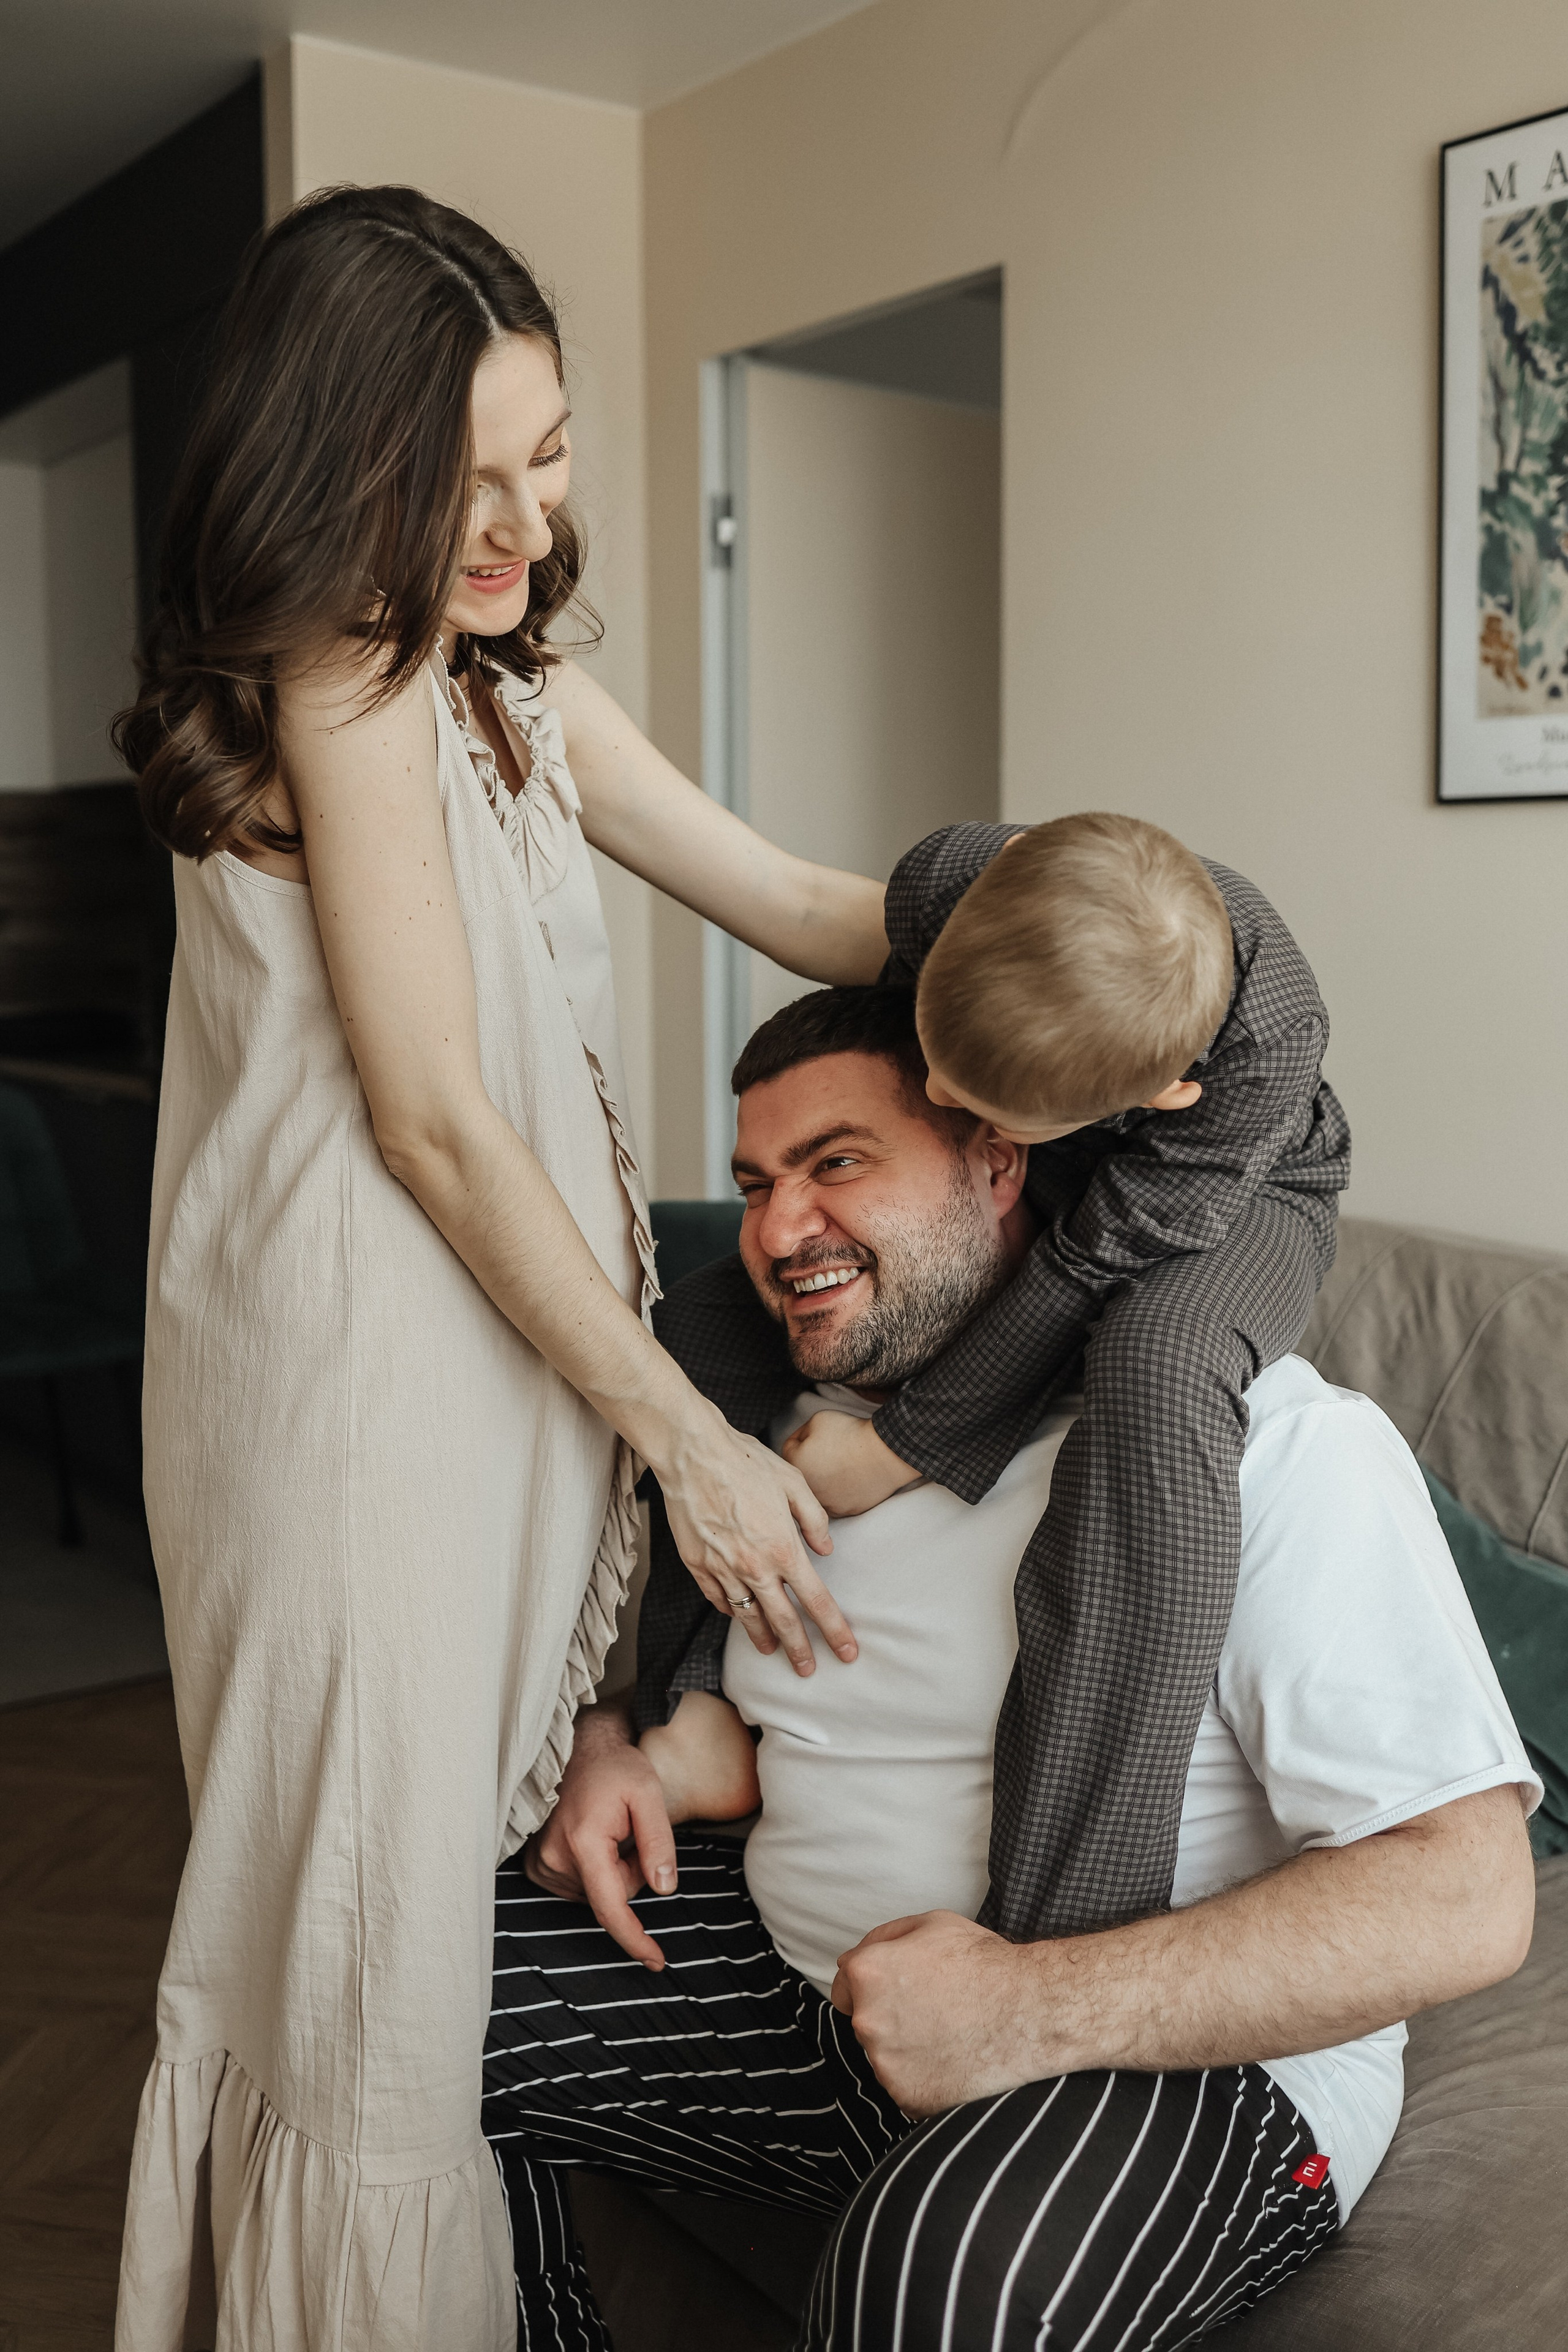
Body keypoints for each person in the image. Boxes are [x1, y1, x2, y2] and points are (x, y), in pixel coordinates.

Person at [111, 187, 881, 2347]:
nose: (525, 528)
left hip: (505, 1386)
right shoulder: (337, 673)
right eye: (462, 482)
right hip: (357, 1407)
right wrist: (697, 1451)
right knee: (363, 1990)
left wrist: (1101, 911)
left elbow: (809, 902)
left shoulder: (509, 687)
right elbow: (434, 1110)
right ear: (333, 469)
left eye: (549, 463)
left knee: (430, 1974)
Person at [486, 986, 1537, 2350]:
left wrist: (1026, 2009)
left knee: (949, 2285)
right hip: (801, 1994)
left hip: (1173, 2067)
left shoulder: (1263, 1449)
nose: (776, 1231)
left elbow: (1462, 1897)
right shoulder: (786, 1439)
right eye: (754, 1183)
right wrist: (614, 1739)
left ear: (998, 1163)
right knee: (392, 1984)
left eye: (837, 1165)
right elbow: (774, 1719)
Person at [764, 815, 1354, 1943]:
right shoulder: (955, 877)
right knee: (711, 1305)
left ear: (1163, 1093)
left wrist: (900, 1447)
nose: (933, 1084)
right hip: (1054, 1142)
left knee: (1158, 1364)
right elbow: (798, 908)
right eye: (939, 1056)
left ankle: (1060, 1926)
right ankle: (680, 1701)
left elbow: (1090, 1260)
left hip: (1246, 1198)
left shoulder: (1247, 1070)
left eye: (968, 1093)